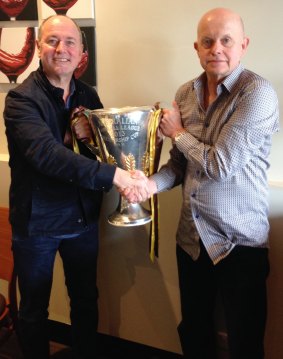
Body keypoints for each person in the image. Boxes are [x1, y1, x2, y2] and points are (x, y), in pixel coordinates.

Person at [124, 7, 280, 359]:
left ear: (244, 44)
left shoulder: (257, 93)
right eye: (208, 42)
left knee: (244, 342)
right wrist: (148, 185)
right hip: (192, 241)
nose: (217, 49)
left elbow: (221, 165)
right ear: (197, 47)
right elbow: (179, 165)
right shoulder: (185, 94)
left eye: (226, 40)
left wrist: (177, 132)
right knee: (194, 333)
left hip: (240, 244)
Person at [3, 15, 148, 359]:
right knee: (34, 308)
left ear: (82, 51)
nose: (61, 49)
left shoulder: (87, 94)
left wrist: (125, 154)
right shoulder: (21, 99)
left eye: (70, 42)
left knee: (85, 299)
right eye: (52, 40)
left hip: (82, 217)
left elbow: (104, 144)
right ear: (39, 46)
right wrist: (116, 177)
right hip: (37, 223)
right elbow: (46, 156)